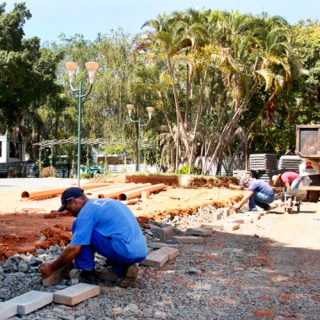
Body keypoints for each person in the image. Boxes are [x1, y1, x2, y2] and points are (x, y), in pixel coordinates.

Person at [39, 187, 148, 288]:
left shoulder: (86, 212)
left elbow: (74, 248)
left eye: (68, 208)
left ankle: (87, 274)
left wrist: (52, 267)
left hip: (124, 252)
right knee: (108, 233)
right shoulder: (109, 202)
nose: (70, 213)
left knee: (80, 229)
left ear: (74, 202)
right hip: (140, 252)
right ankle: (124, 268)